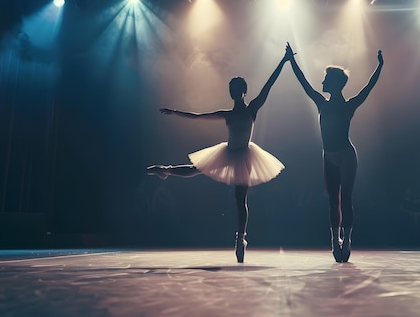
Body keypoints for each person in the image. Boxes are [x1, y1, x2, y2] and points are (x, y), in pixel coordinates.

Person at [147, 47, 293, 263]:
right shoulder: (227, 114)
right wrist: (175, 112)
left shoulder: (252, 108)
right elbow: (198, 116)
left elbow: (268, 86)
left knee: (239, 199)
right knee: (197, 169)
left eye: (237, 89)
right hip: (229, 151)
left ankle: (240, 239)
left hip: (244, 154)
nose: (234, 92)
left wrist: (284, 60)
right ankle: (167, 171)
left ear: (243, 91)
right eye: (231, 89)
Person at [286, 42, 383, 262]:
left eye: (325, 79)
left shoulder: (348, 105)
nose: (321, 82)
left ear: (335, 84)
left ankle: (347, 240)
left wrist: (379, 67)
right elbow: (304, 83)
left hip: (346, 155)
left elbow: (368, 87)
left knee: (346, 199)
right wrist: (292, 61)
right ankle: (334, 241)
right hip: (329, 156)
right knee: (333, 201)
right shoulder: (321, 103)